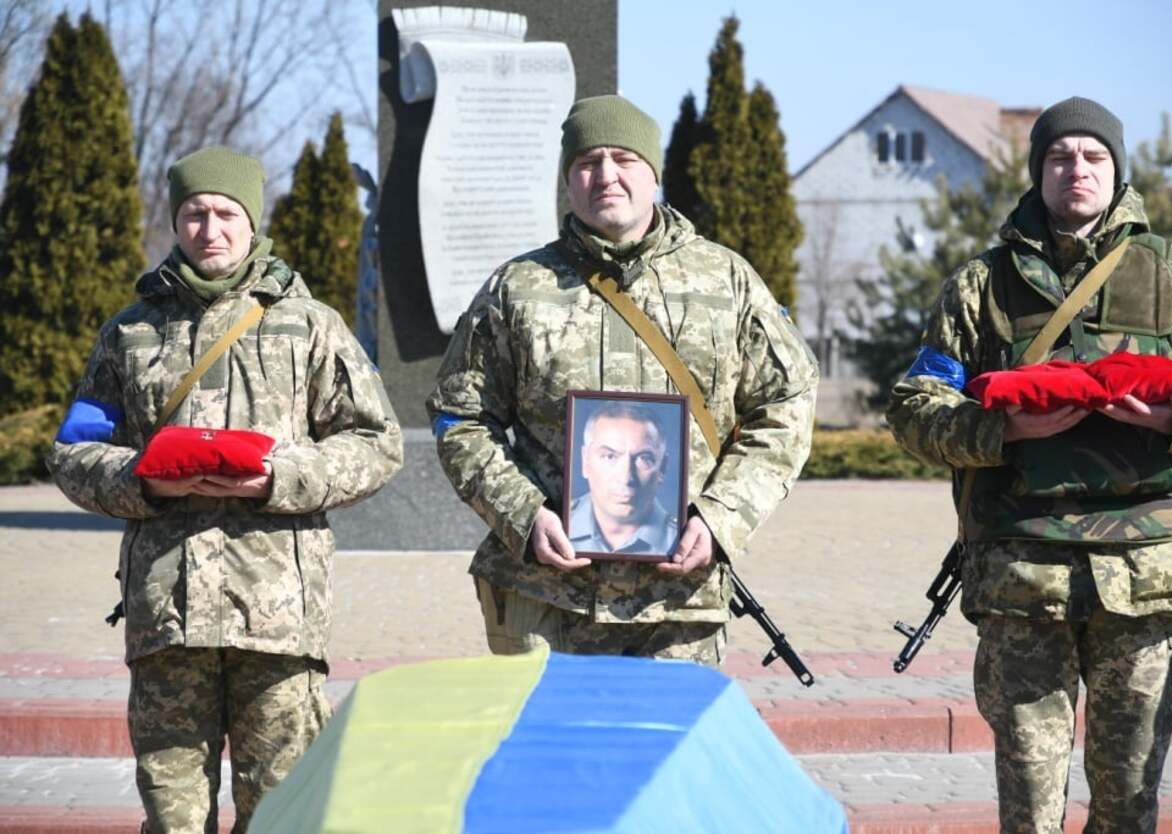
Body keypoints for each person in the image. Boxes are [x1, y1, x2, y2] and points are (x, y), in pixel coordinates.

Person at [887, 97, 1172, 833]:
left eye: (1092, 156)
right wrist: (999, 428)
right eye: (1059, 156)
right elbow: (914, 408)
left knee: (1128, 800)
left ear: (1117, 170)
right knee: (1028, 807)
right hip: (1023, 578)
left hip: (1145, 579)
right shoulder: (980, 286)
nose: (1075, 169)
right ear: (1037, 170)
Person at [46, 146, 404, 834]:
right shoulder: (130, 332)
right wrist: (140, 481)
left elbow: (377, 443)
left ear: (252, 220)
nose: (210, 229)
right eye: (194, 213)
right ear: (176, 221)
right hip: (167, 613)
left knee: (281, 811)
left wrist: (281, 477)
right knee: (172, 815)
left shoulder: (309, 325)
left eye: (226, 213)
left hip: (277, 618)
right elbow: (73, 451)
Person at [428, 94, 817, 665]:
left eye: (624, 159)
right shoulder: (517, 289)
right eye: (587, 162)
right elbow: (459, 416)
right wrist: (522, 513)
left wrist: (722, 516)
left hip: (678, 605)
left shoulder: (726, 281)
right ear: (568, 180)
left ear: (653, 173)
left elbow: (788, 403)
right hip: (547, 597)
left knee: (668, 731)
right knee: (550, 730)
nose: (606, 175)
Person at [568, 400, 678, 556]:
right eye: (609, 456)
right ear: (585, 461)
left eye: (644, 458)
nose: (626, 478)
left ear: (663, 468)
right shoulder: (555, 527)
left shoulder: (683, 542)